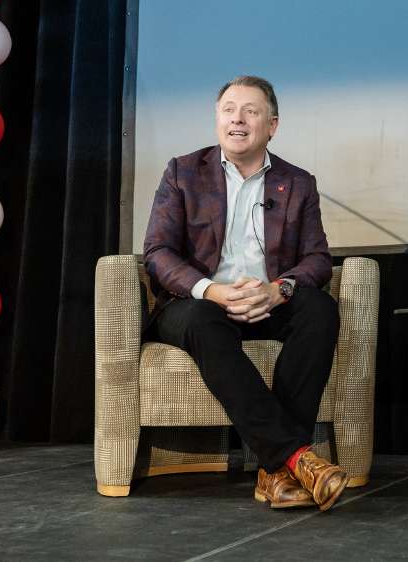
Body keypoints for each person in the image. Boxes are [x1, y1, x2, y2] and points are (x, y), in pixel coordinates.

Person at [143, 75, 348, 511]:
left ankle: (275, 473)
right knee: (204, 318)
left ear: (271, 125)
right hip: (196, 305)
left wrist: (279, 291)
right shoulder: (183, 171)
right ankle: (296, 458)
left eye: (250, 111)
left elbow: (317, 258)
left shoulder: (297, 182)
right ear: (217, 120)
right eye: (229, 109)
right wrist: (210, 290)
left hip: (265, 301)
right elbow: (158, 252)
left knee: (319, 310)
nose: (238, 118)